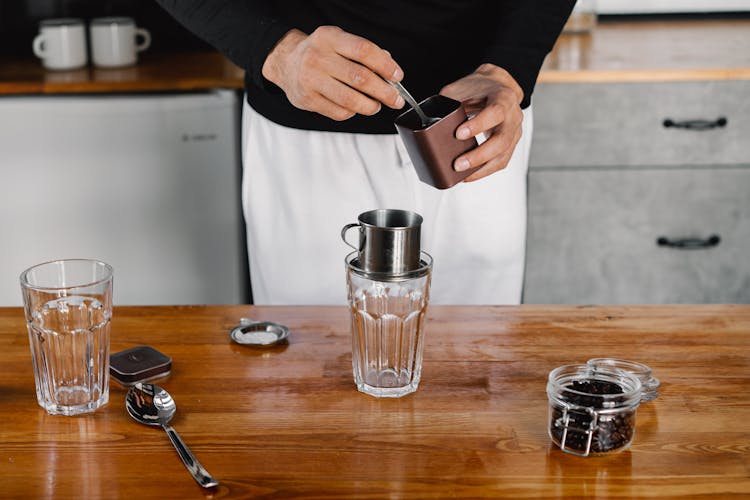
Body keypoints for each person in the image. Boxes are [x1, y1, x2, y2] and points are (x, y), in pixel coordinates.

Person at [155, 1, 574, 305]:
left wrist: (510, 70)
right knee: (307, 372)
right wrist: (277, 53)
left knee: (482, 368)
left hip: (474, 129)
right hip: (306, 139)